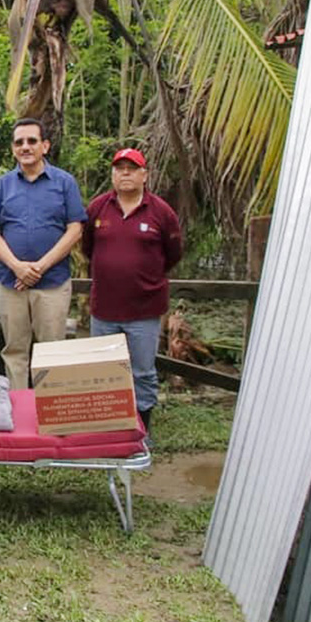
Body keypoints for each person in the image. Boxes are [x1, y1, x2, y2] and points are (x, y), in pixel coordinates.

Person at [82, 148, 182, 443]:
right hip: (104, 309)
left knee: (142, 372)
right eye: (119, 168)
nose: (125, 173)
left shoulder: (161, 212)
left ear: (144, 175)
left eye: (132, 168)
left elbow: (173, 253)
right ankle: (108, 430)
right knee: (104, 372)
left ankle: (142, 431)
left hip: (144, 310)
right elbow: (87, 248)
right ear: (113, 175)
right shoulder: (98, 208)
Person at [0, 118, 87, 390]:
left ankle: (50, 410)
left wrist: (39, 267)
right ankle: (19, 409)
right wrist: (17, 267)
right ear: (13, 148)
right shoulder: (3, 185)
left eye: (32, 141)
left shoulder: (64, 182)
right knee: (14, 351)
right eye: (19, 142)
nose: (25, 147)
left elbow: (75, 229)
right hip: (12, 283)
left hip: (52, 283)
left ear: (45, 146)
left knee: (52, 352)